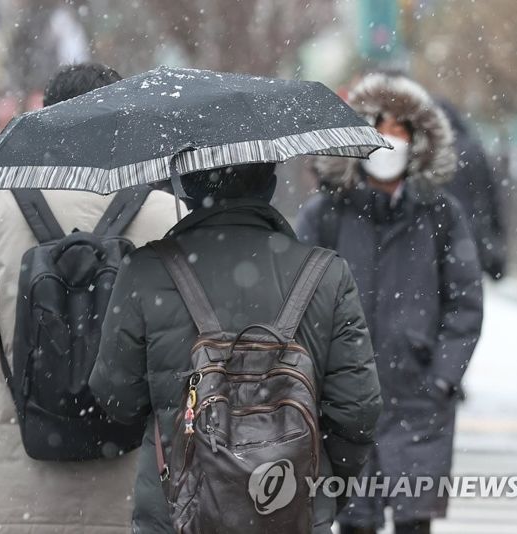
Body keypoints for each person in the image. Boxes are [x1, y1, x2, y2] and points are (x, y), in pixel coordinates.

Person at [0, 63, 183, 533]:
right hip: (129, 483)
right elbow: (179, 349)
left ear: (46, 118)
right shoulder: (165, 211)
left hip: (15, 488)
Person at [89, 163, 383, 533]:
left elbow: (116, 396)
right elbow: (358, 411)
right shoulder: (326, 274)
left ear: (185, 187)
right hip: (293, 510)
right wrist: (318, 485)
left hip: (175, 514)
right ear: (271, 186)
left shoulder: (145, 269)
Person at [296, 73, 484, 534]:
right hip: (344, 403)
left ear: (418, 140)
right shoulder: (327, 213)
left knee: (414, 522)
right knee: (353, 522)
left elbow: (465, 303)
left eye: (400, 129)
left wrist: (442, 377)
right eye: (379, 127)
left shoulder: (440, 214)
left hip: (420, 402)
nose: (389, 140)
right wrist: (319, 374)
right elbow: (295, 299)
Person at [437, 99, 507, 280]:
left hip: (441, 231)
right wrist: (495, 231)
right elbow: (490, 194)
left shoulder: (433, 149)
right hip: (471, 232)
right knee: (468, 285)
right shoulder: (472, 147)